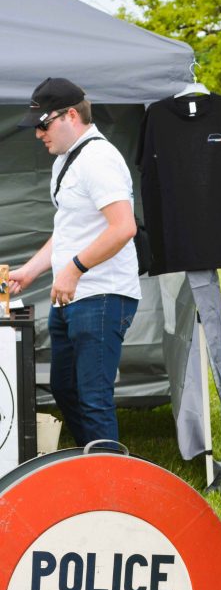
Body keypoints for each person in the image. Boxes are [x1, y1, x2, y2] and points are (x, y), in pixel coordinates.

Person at [10, 77, 141, 447]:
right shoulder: (67, 160)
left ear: (70, 115)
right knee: (65, 388)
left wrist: (73, 270)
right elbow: (69, 229)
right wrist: (31, 270)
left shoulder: (99, 159)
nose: (39, 134)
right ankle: (94, 462)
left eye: (44, 124)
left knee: (93, 398)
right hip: (71, 296)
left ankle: (110, 476)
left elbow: (123, 227)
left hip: (102, 295)